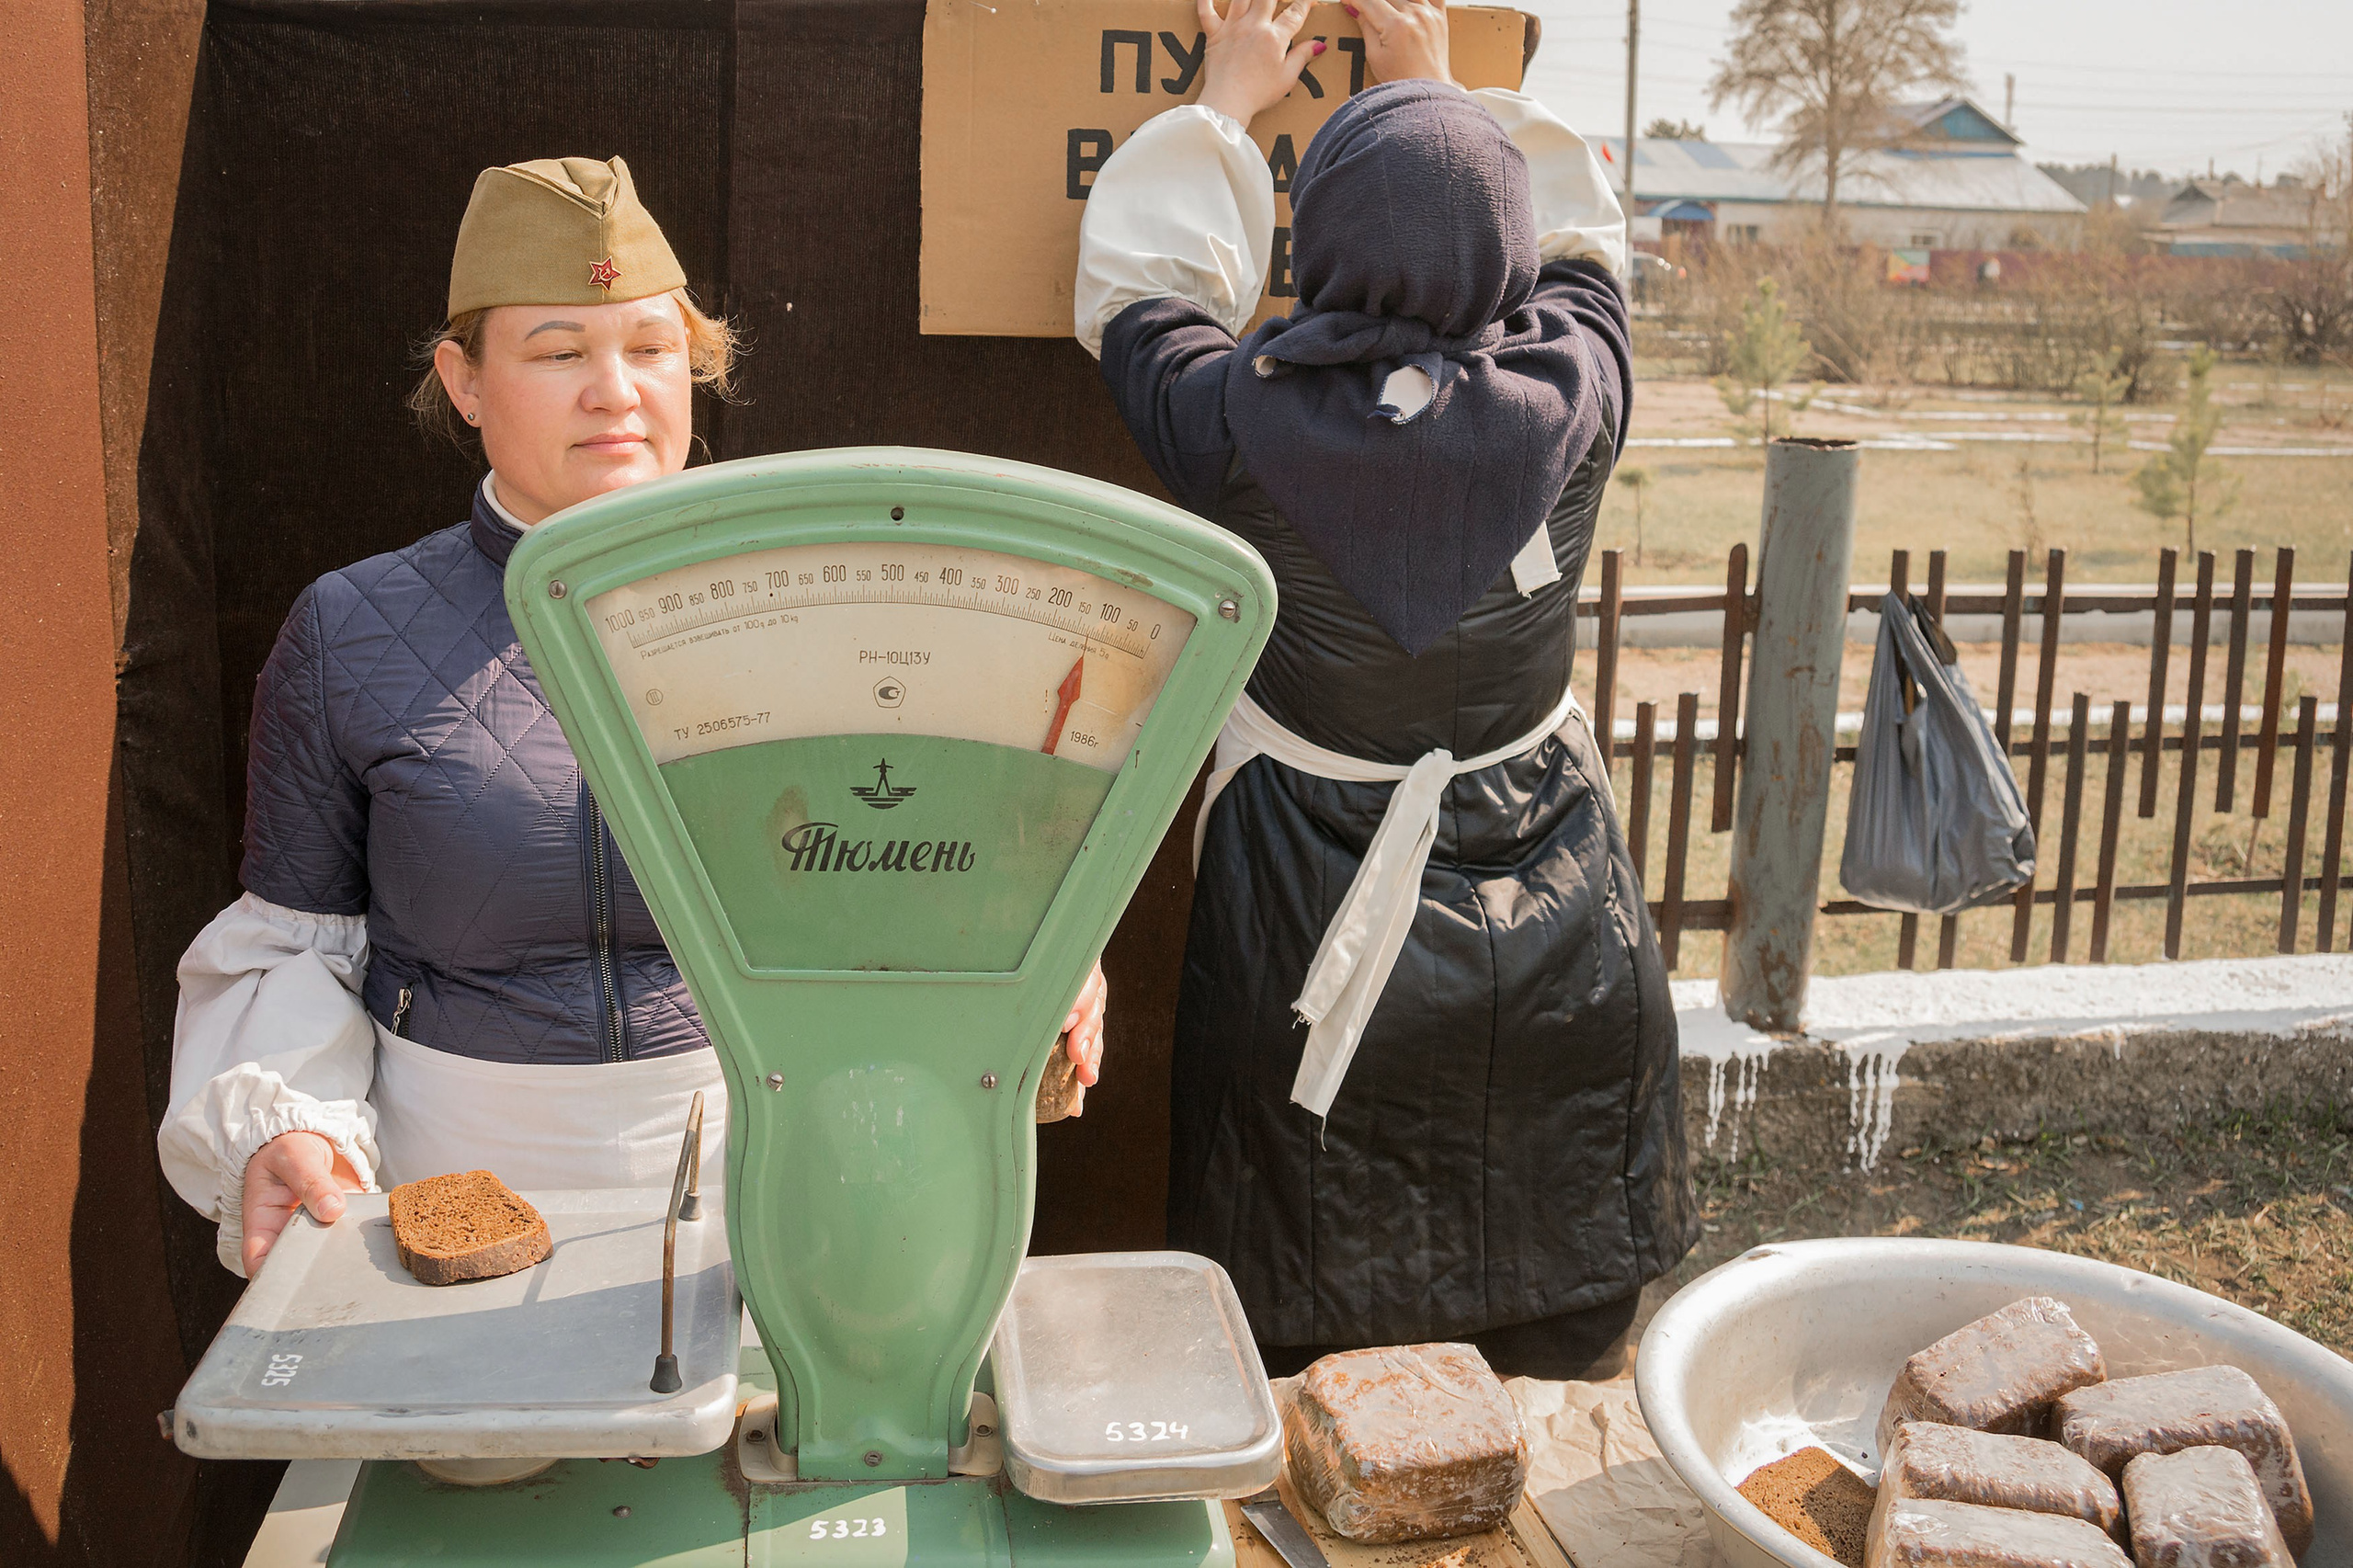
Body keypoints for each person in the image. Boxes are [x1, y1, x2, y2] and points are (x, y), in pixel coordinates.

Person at [160, 156, 1108, 1278]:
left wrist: (1021, 944)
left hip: (783, 1168)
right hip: (458, 1170)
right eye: (560, 353)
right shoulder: (351, 628)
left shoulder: (831, 601)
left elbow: (910, 864)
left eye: (653, 350)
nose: (615, 390)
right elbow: (296, 946)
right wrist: (293, 1123)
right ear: (463, 382)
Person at [1074, 0, 1691, 1376]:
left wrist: (1221, 103)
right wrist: (1447, 86)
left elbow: (1136, 288)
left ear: (1318, 243)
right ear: (1508, 246)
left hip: (1310, 910)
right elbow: (1589, 250)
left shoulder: (1234, 420)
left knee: (1316, 1340)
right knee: (1548, 1324)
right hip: (1564, 915)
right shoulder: (1579, 388)